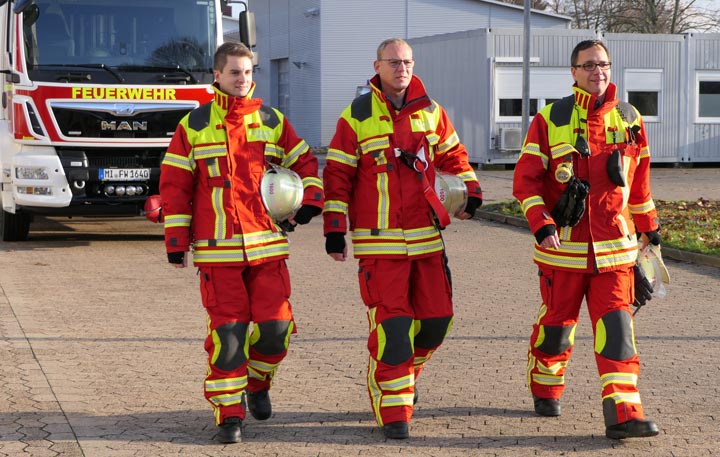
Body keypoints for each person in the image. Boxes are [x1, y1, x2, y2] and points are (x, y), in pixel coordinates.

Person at [159, 42, 323, 444]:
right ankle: (228, 415)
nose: (243, 79)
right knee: (228, 337)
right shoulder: (193, 125)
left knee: (276, 331)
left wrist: (307, 204)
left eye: (248, 72)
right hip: (219, 255)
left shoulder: (272, 120)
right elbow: (176, 185)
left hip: (268, 249)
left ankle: (258, 382)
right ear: (217, 75)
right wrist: (176, 241)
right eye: (235, 72)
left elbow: (305, 164)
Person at [322, 38, 483, 440]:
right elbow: (337, 177)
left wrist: (471, 193)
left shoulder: (432, 112)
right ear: (376, 66)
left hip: (427, 242)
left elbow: (455, 158)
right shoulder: (355, 116)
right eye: (393, 62)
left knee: (436, 324)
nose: (402, 69)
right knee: (394, 328)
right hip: (380, 247)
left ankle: (404, 376)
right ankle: (394, 408)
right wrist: (334, 230)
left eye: (407, 62)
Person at [512, 39, 661, 440]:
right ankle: (545, 386)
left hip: (615, 252)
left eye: (604, 64)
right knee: (557, 328)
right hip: (563, 252)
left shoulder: (630, 118)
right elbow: (525, 182)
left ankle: (624, 413)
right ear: (573, 71)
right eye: (589, 65)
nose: (599, 71)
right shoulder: (549, 118)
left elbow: (639, 182)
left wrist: (650, 228)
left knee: (617, 330)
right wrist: (541, 224)